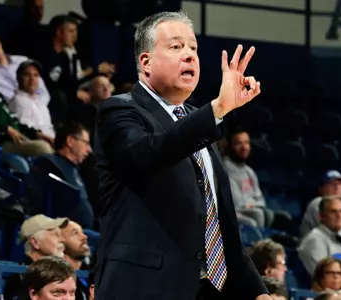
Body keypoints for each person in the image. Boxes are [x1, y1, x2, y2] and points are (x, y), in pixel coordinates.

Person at [94, 11, 269, 300]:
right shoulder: (119, 110)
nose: (189, 55)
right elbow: (149, 154)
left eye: (193, 48)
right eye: (176, 47)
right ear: (146, 62)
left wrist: (259, 294)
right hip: (142, 288)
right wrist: (216, 110)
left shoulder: (201, 126)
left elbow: (221, 226)